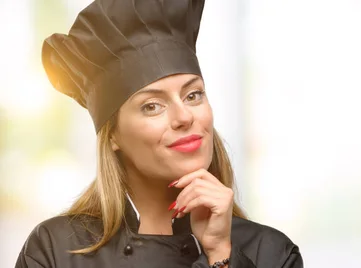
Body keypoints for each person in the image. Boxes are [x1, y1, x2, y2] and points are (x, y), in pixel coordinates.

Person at [14, 0, 303, 267]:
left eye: (193, 95)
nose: (184, 117)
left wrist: (220, 254)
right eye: (152, 106)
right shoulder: (54, 250)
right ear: (113, 136)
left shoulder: (271, 253)